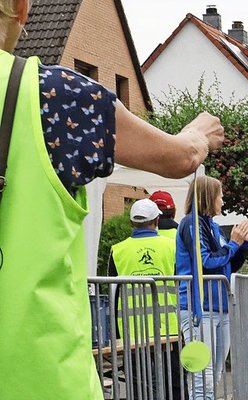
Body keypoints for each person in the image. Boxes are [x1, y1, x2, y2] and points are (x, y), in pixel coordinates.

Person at [0, 0, 225, 398]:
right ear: (20, 8)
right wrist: (199, 134)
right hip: (39, 379)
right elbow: (178, 157)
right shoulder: (54, 96)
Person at [176, 176, 248, 400]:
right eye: (220, 196)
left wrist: (244, 243)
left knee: (214, 375)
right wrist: (235, 243)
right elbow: (206, 262)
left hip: (220, 307)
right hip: (199, 307)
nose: (223, 201)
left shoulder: (214, 227)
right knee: (203, 376)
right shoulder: (191, 223)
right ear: (208, 197)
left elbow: (228, 264)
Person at [108, 199, 184, 400]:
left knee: (139, 386)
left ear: (131, 223)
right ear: (157, 220)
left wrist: (115, 332)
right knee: (174, 384)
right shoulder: (172, 247)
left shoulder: (118, 250)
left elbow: (113, 293)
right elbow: (182, 286)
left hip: (132, 331)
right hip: (168, 329)